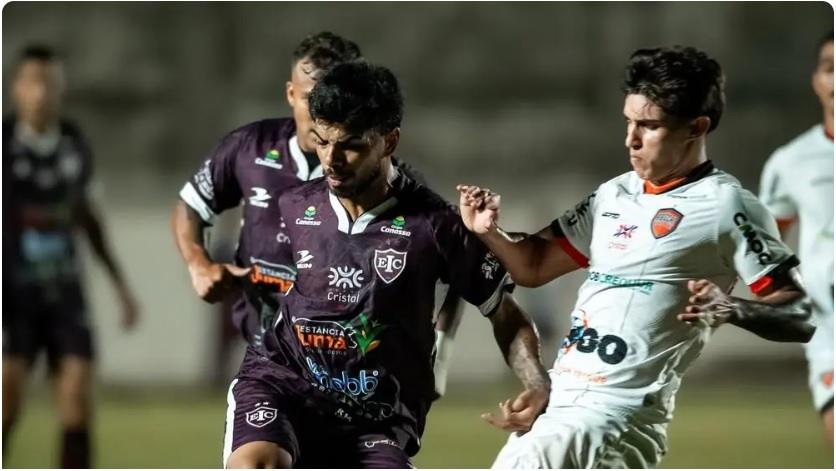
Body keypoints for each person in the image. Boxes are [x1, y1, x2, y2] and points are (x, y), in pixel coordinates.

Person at [457, 45, 817, 468]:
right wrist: (488, 231)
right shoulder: (614, 194)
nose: (630, 139)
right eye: (628, 122)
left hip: (614, 418)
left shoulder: (727, 205)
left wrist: (731, 308)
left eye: (649, 126)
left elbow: (800, 315)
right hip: (560, 408)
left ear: (696, 127)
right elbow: (532, 265)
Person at [222, 61, 550, 468]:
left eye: (351, 145)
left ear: (389, 141)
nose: (332, 159)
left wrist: (537, 382)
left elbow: (505, 313)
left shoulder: (437, 226)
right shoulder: (295, 205)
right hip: (284, 387)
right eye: (322, 142)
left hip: (376, 418)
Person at [171, 32, 464, 397]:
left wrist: (439, 355)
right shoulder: (250, 148)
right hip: (267, 351)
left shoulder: (390, 185)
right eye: (312, 99)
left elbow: (459, 265)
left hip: (349, 369)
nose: (320, 115)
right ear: (291, 93)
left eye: (335, 101)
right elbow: (190, 206)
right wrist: (198, 263)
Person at [2, 44, 140, 468]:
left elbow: (88, 218)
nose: (42, 93)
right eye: (34, 83)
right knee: (8, 405)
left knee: (77, 398)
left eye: (51, 84)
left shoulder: (74, 145)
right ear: (17, 88)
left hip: (65, 293)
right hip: (13, 296)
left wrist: (119, 284)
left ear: (61, 89)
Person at [759, 31, 834, 444]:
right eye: (830, 68)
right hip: (830, 332)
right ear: (816, 81)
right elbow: (764, 246)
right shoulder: (791, 161)